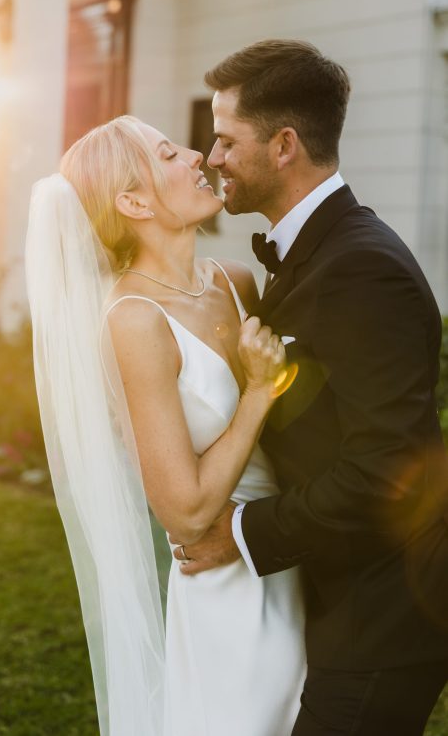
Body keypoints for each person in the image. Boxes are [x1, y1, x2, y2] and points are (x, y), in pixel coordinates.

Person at [172, 39, 448, 736]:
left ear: (284, 144)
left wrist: (239, 530)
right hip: (333, 598)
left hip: (387, 613)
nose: (212, 157)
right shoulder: (309, 254)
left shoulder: (362, 269)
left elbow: (385, 467)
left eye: (227, 139)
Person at [26, 115, 307, 736]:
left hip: (297, 550)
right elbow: (183, 514)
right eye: (168, 152)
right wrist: (259, 391)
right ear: (132, 200)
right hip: (228, 587)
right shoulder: (133, 320)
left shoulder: (235, 280)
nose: (198, 156)